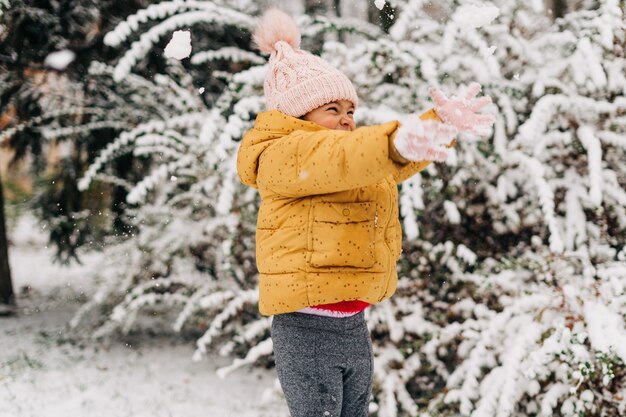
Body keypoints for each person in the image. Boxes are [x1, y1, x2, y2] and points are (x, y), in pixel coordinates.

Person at [236, 8, 495, 417]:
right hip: (307, 329)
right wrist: (396, 142)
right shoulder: (284, 155)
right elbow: (346, 157)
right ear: (298, 115)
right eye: (331, 110)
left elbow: (379, 164)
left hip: (352, 323)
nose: (346, 120)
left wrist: (435, 127)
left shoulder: (341, 159)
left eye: (350, 110)